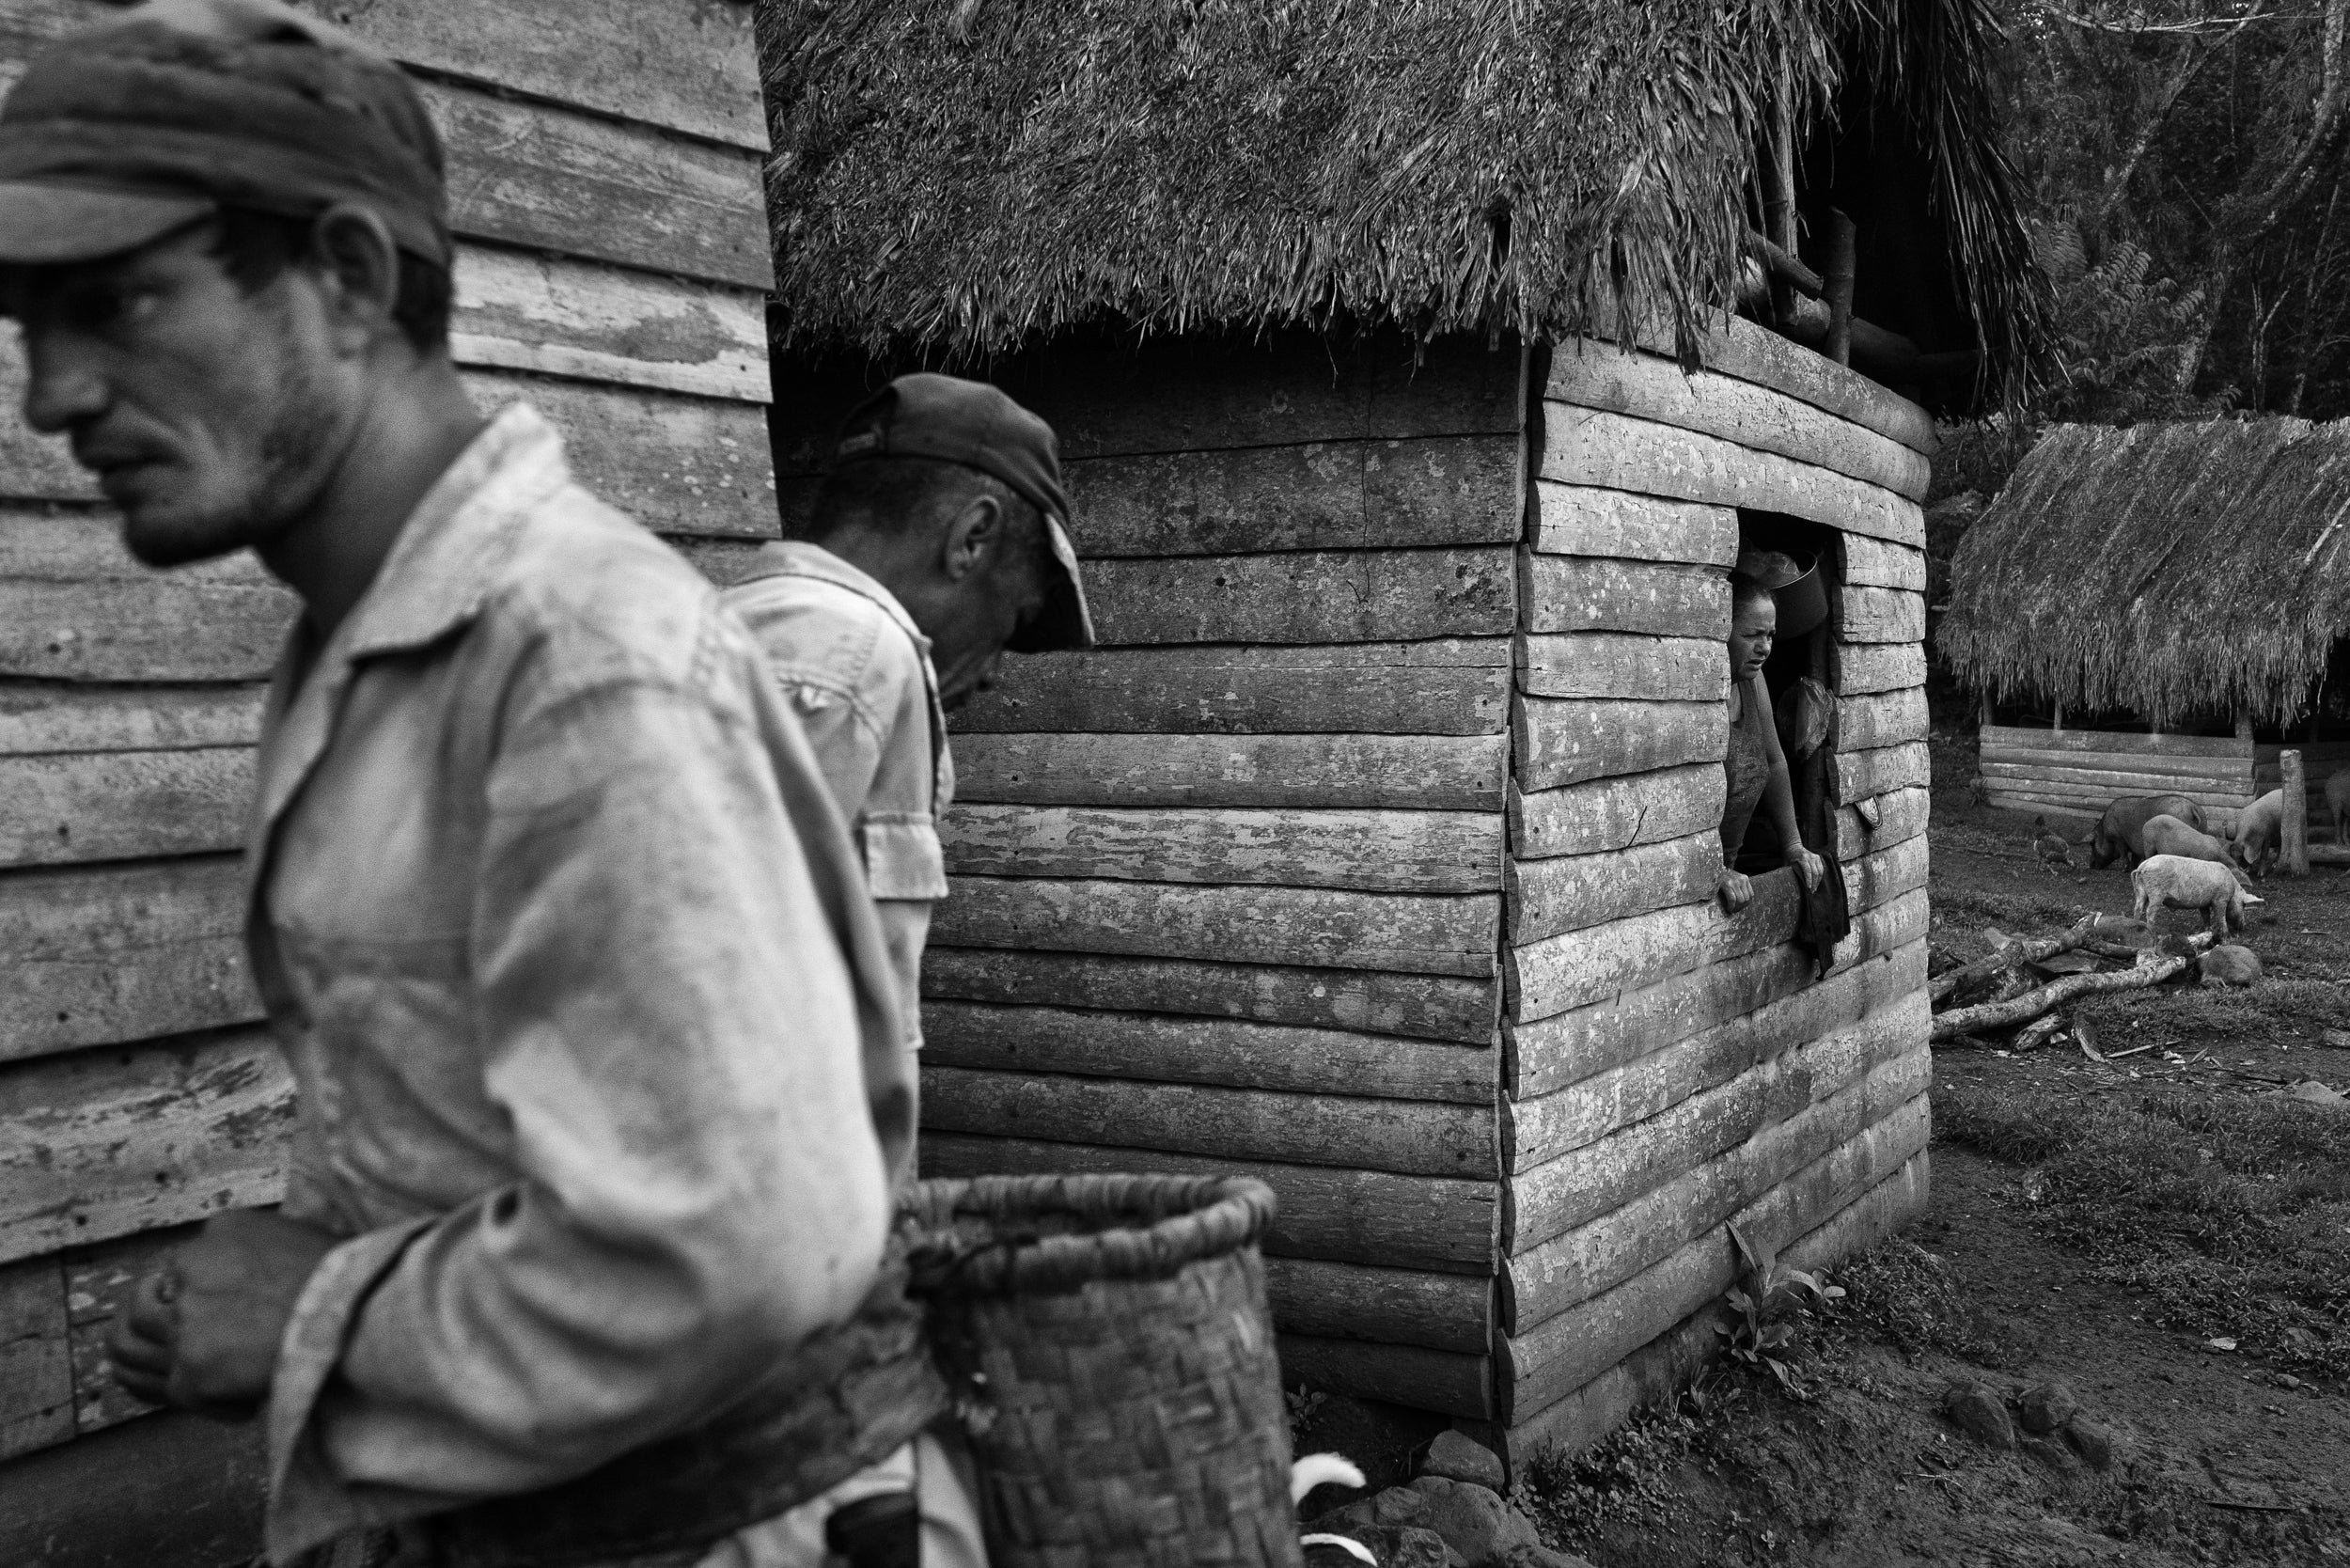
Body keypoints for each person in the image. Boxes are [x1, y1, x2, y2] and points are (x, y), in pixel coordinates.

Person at [0, 4, 939, 1564]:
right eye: (34, 328)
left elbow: (741, 1247)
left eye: (123, 303)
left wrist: (316, 1312)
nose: (53, 396)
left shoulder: (577, 659)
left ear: (350, 279)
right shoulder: (376, 646)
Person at [721, 374, 1096, 1565]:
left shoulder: (744, 621)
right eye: (1015, 611)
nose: (997, 669)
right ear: (971, 533)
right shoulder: (848, 650)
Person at [1717, 572, 1827, 913]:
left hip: (1732, 863)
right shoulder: (1701, 694)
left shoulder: (1752, 681)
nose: (1765, 647)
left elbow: (1774, 761)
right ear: (1720, 630)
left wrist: (1793, 845)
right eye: (1752, 634)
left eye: (1770, 635)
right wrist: (1712, 870)